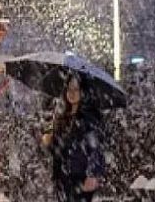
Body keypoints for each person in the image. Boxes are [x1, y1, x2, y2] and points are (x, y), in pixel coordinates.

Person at [41, 74, 107, 202]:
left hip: (80, 176)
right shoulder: (62, 117)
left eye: (76, 89)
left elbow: (96, 148)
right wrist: (49, 129)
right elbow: (52, 147)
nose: (71, 93)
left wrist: (92, 174)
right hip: (62, 176)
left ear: (83, 92)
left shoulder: (89, 118)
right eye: (69, 89)